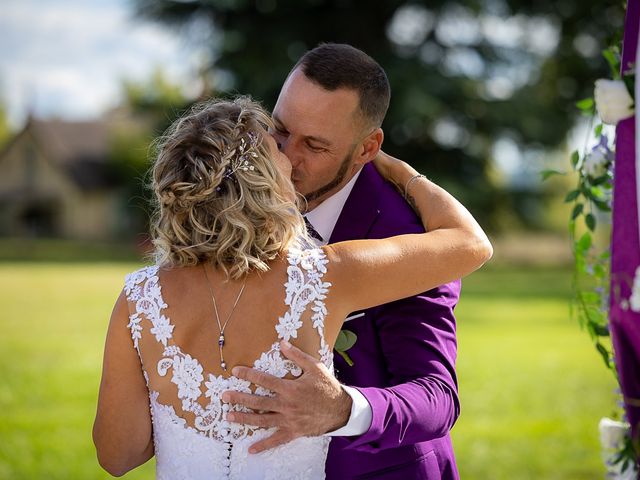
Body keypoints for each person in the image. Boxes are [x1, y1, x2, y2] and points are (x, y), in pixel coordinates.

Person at [92, 96, 492, 478]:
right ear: (262, 180)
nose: (290, 159)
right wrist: (396, 168)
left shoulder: (140, 298)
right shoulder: (325, 277)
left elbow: (118, 455)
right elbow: (470, 243)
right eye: (277, 149)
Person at [225, 43, 467, 479]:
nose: (285, 158)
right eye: (280, 131)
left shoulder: (406, 234)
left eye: (315, 146)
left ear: (366, 148)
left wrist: (342, 408)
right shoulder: (247, 192)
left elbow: (437, 396)